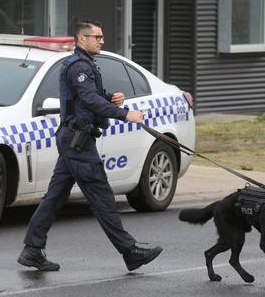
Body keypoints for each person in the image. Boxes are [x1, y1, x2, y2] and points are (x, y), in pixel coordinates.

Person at [17, 19, 163, 272]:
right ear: (82, 39)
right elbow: (87, 99)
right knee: (102, 196)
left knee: (55, 196)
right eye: (97, 37)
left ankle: (32, 249)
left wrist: (110, 98)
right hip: (78, 142)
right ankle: (130, 251)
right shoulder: (78, 66)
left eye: (101, 37)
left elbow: (85, 98)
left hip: (73, 138)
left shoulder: (83, 64)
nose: (102, 41)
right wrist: (125, 114)